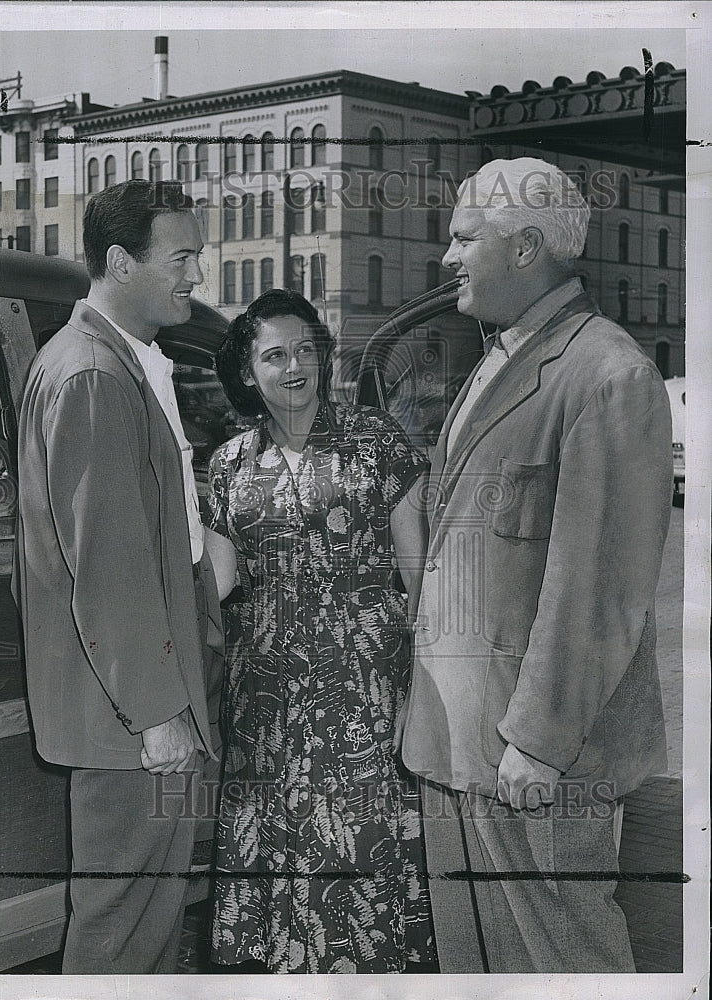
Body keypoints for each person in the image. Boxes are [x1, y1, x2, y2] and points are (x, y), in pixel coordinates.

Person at [398, 157, 673, 973]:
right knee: (473, 967)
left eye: (463, 237)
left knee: (563, 965)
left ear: (524, 248)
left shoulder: (609, 375)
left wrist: (542, 744)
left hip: (534, 755)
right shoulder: (498, 355)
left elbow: (598, 588)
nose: (446, 257)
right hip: (457, 741)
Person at [13, 180, 224, 974]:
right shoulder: (93, 375)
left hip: (135, 711)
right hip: (134, 720)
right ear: (118, 262)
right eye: (182, 257)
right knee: (122, 935)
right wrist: (158, 712)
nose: (197, 276)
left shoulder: (116, 361)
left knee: (147, 923)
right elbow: (108, 570)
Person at [205, 289, 435, 974]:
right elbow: (213, 587)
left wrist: (424, 692)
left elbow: (420, 577)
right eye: (275, 355)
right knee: (279, 856)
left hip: (365, 693)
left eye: (307, 349)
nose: (295, 366)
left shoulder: (377, 442)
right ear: (248, 372)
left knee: (359, 859)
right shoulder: (230, 465)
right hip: (267, 705)